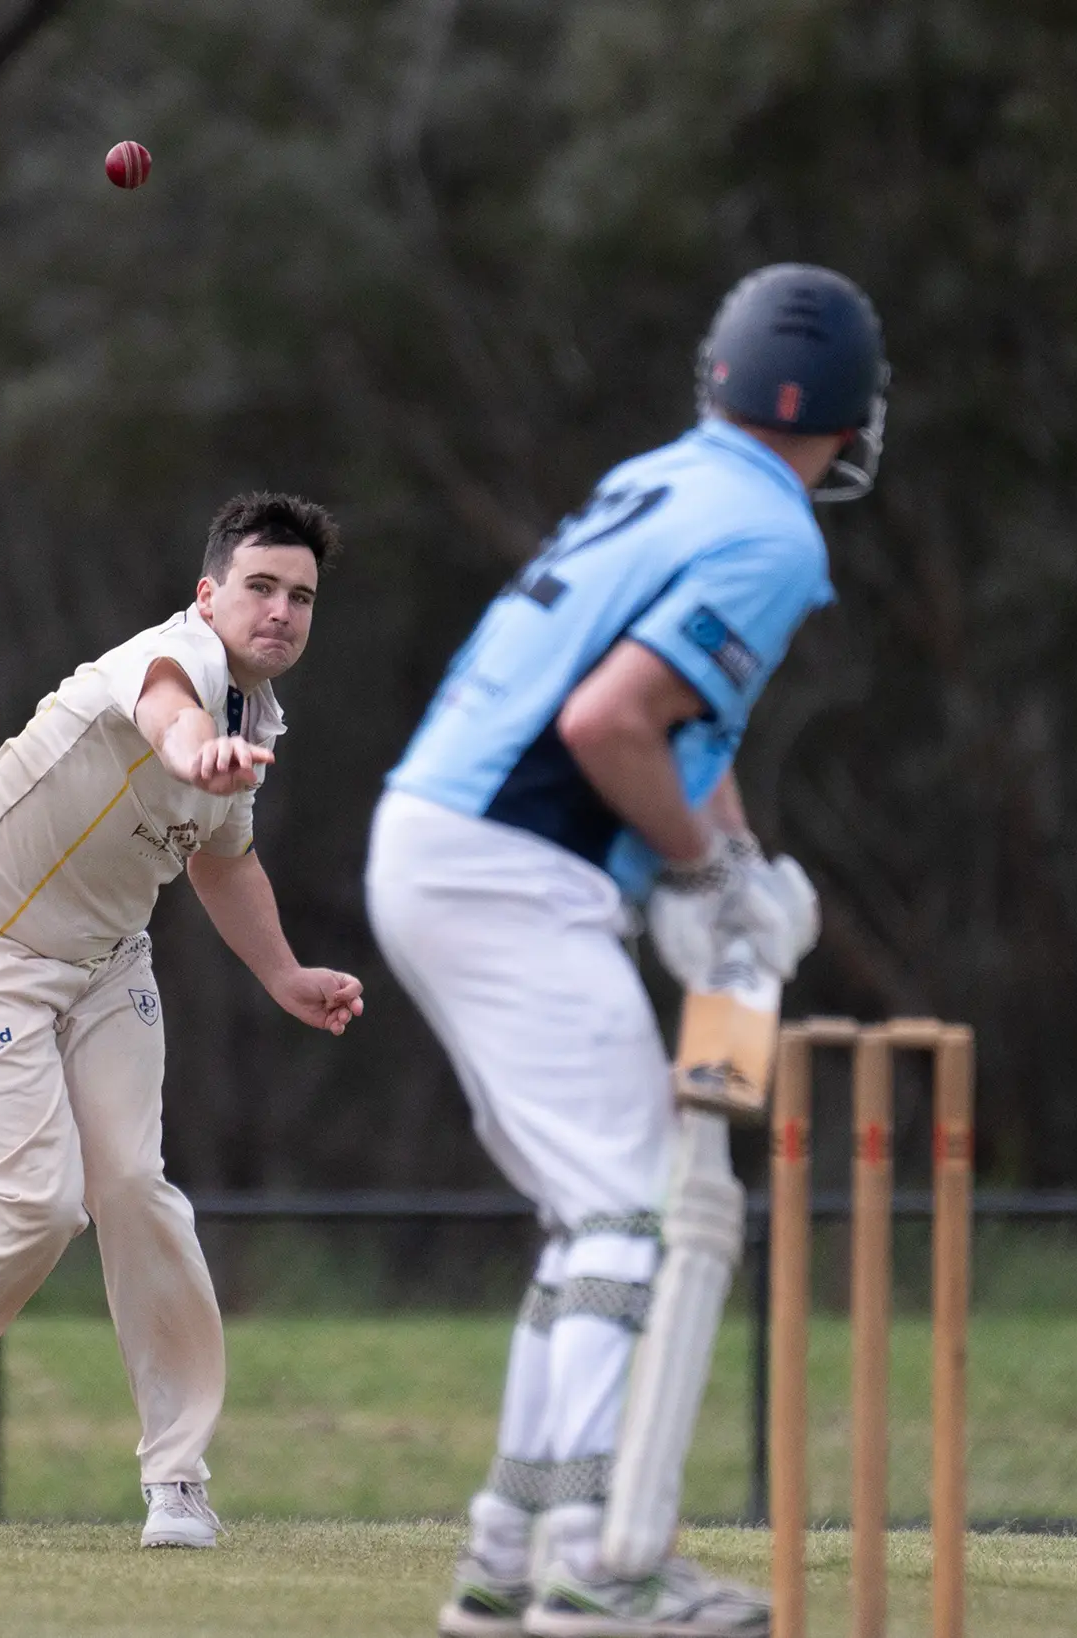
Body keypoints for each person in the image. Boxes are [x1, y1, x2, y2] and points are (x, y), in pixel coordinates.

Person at [367, 265, 885, 1637]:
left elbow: (674, 730)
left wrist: (737, 861)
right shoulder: (775, 534)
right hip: (507, 868)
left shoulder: (665, 478)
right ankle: (599, 1565)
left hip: (440, 839)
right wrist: (713, 874)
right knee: (631, 1213)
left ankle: (507, 1551)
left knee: (590, 1217)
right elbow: (611, 725)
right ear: (849, 410)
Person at [0, 492, 365, 1548]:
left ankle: (178, 1479)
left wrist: (281, 975)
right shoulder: (164, 664)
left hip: (101, 963)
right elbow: (171, 717)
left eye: (301, 597)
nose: (280, 612)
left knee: (136, 1189)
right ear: (207, 595)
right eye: (260, 588)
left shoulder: (255, 724)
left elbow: (227, 858)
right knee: (38, 1201)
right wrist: (193, 752)